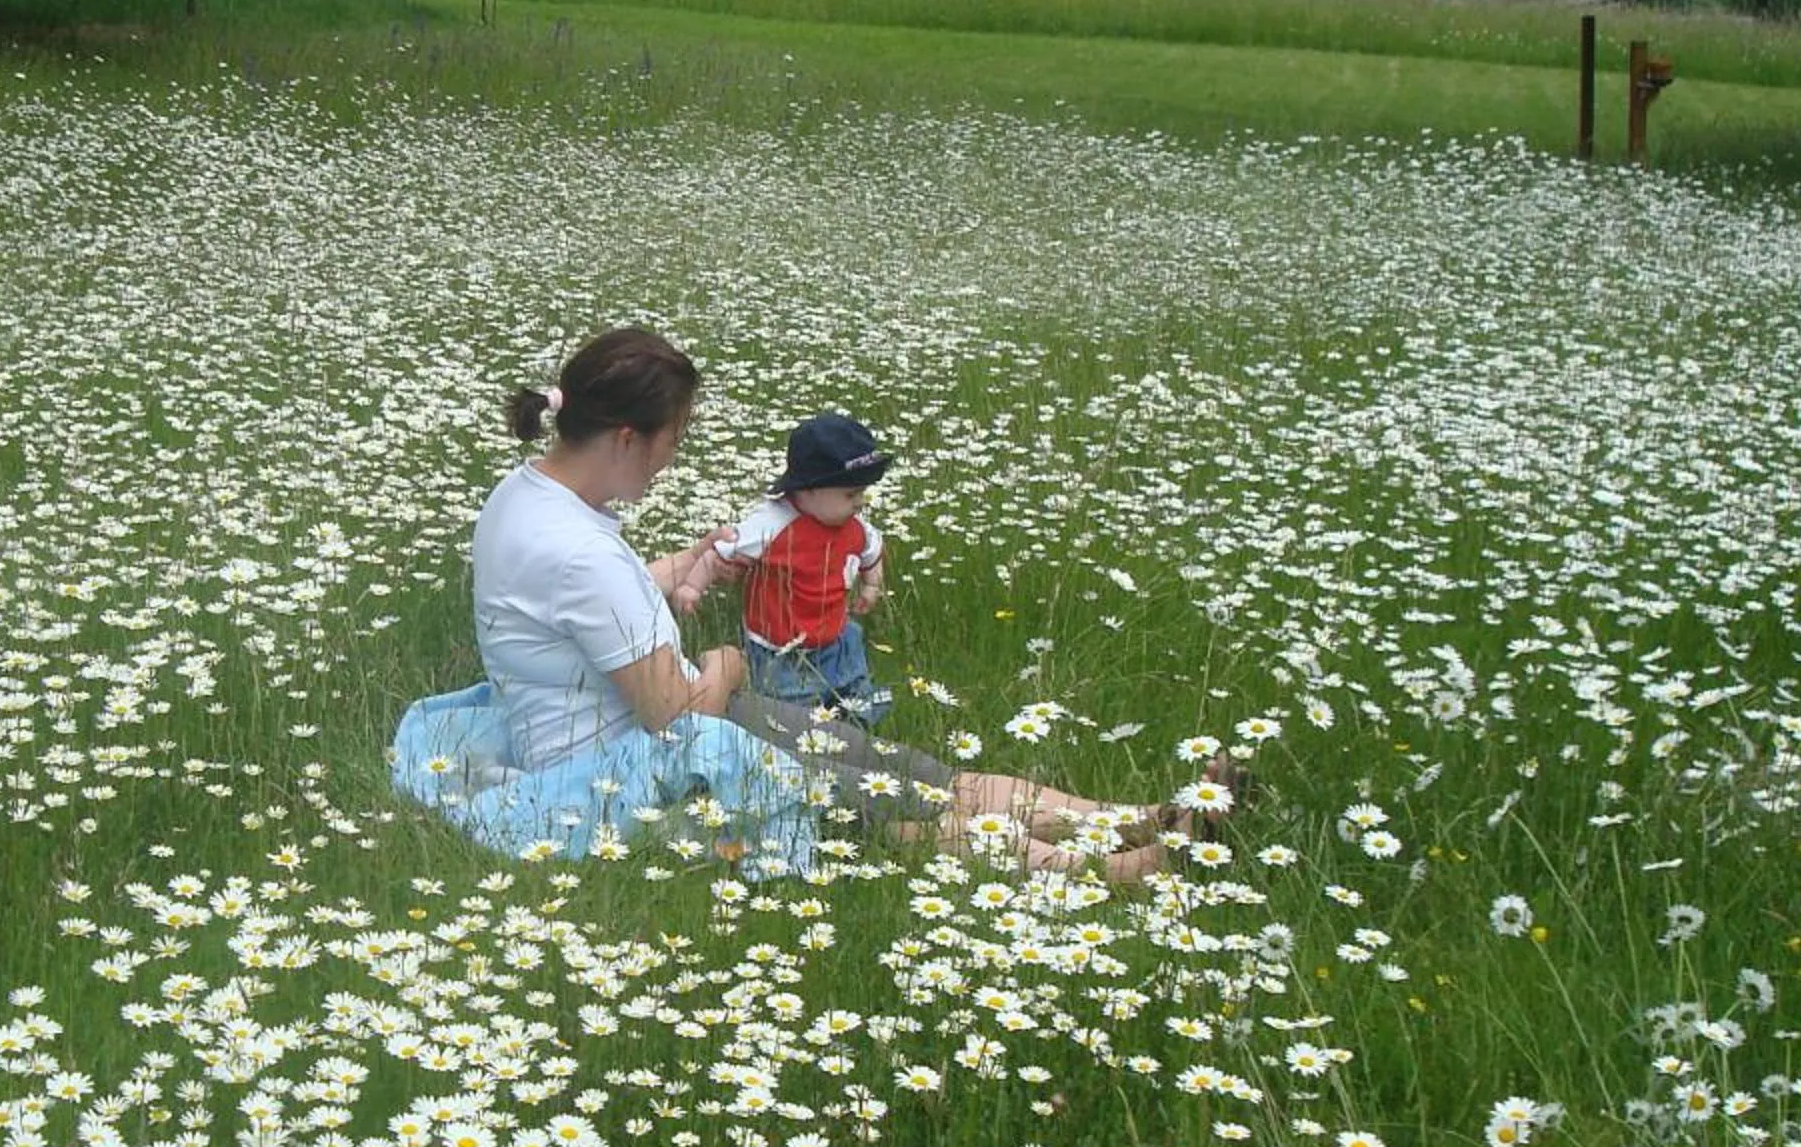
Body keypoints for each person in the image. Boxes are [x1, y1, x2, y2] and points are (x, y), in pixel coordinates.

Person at [391, 327, 1216, 879]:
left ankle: (1143, 818)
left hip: (611, 727)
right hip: (636, 764)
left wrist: (679, 565)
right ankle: (1122, 871)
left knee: (911, 775)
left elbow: (569, 611)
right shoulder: (579, 553)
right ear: (629, 438)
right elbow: (664, 714)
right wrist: (722, 661)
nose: (671, 461)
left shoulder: (525, 498)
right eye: (674, 439)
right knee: (896, 810)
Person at [717, 412, 895, 726]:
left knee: (854, 689)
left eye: (862, 493)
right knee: (789, 714)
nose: (860, 503)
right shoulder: (773, 525)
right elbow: (722, 550)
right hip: (781, 649)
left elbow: (873, 552)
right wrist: (693, 584)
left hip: (837, 637)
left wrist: (871, 586)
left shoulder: (853, 526)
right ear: (809, 489)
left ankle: (855, 725)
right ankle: (805, 735)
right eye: (850, 494)